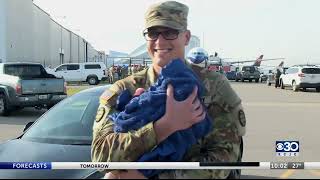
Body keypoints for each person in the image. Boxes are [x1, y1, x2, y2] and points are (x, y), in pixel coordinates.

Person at [91, 1, 246, 179]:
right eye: (153, 33)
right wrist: (162, 128)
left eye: (170, 32)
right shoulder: (125, 89)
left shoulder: (214, 86)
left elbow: (225, 156)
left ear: (186, 37)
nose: (160, 41)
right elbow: (100, 156)